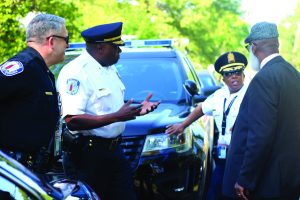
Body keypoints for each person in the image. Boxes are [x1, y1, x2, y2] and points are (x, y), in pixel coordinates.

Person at [57, 22, 160, 200]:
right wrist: (117, 116)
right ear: (100, 48)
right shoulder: (76, 72)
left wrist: (135, 110)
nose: (120, 52)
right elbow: (72, 119)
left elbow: (109, 107)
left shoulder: (109, 68)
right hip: (87, 156)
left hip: (114, 151)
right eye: (116, 48)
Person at [222, 22, 300, 200]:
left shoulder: (263, 79)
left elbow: (260, 135)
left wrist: (245, 179)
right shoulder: (294, 74)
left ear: (254, 47)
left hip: (268, 180)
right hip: (290, 176)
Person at [166, 51, 248, 200]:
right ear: (223, 78)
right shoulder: (219, 95)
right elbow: (201, 108)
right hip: (223, 157)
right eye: (229, 74)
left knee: (239, 194)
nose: (234, 76)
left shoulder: (251, 94)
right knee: (215, 193)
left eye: (237, 72)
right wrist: (182, 125)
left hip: (242, 157)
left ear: (244, 74)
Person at [0, 13, 68, 172]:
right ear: (52, 41)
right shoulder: (24, 66)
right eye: (66, 39)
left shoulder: (40, 69)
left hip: (33, 165)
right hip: (15, 167)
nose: (67, 45)